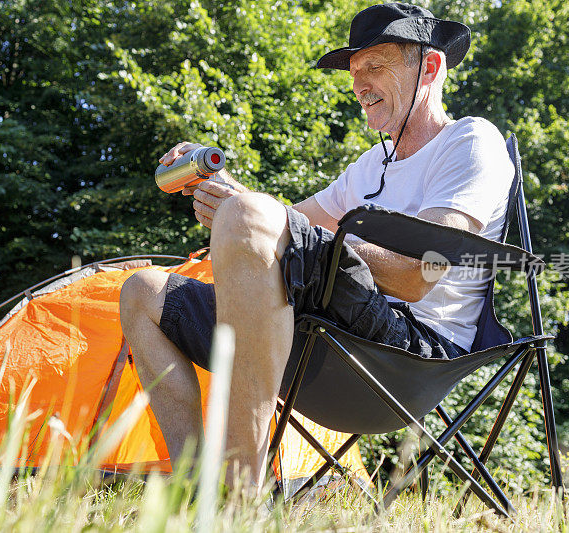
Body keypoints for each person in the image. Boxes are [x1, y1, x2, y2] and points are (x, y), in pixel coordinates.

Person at [119, 2, 514, 490]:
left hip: (407, 356)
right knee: (142, 292)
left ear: (430, 67)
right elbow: (267, 227)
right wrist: (217, 182)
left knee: (252, 216)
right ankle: (193, 489)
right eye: (353, 72)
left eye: (375, 67)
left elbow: (419, 276)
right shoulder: (368, 167)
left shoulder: (471, 142)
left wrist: (261, 218)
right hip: (323, 340)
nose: (359, 85)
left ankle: (240, 493)